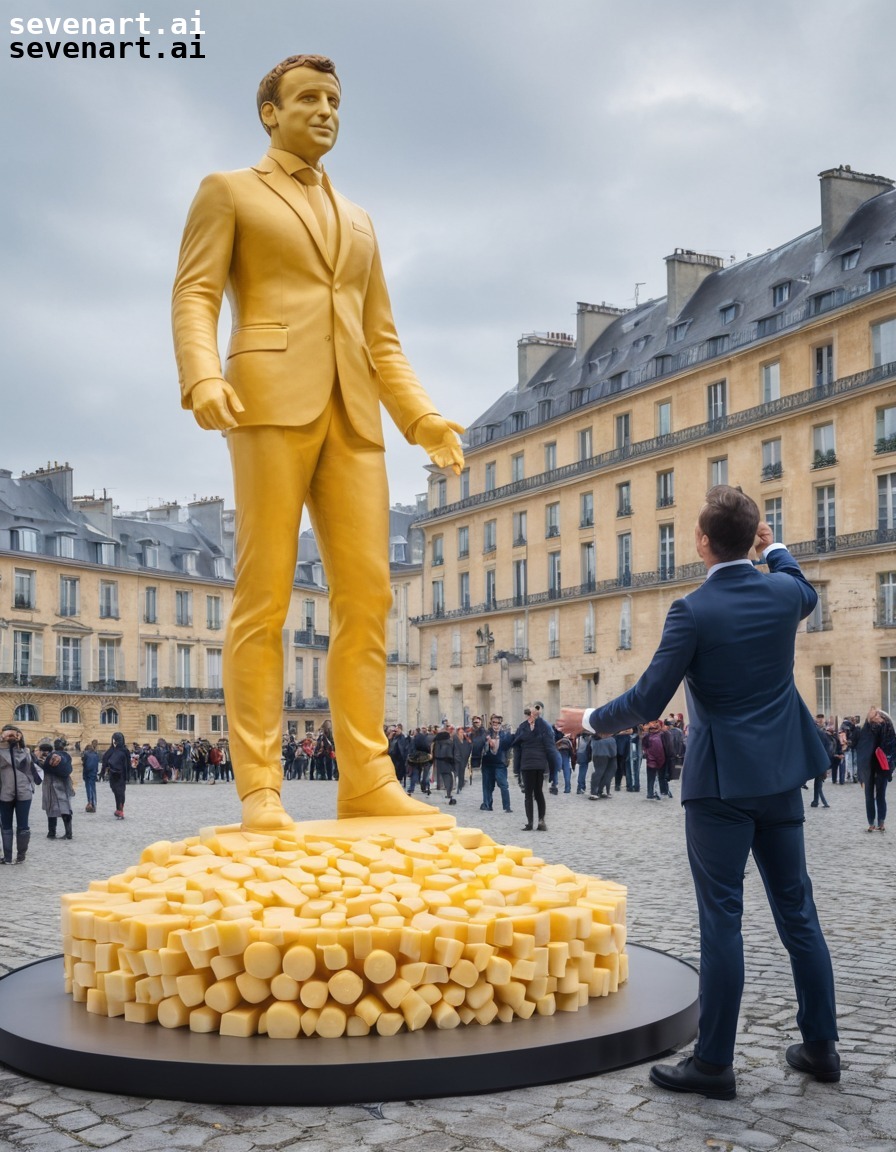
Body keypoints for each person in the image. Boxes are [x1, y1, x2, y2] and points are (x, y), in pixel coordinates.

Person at [172, 53, 463, 832]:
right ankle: (261, 786)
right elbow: (196, 293)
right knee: (263, 595)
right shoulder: (228, 190)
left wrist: (422, 417)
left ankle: (366, 777)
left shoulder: (361, 220)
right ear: (271, 111)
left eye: (335, 99)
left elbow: (383, 337)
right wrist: (201, 377)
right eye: (308, 98)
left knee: (367, 597)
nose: (326, 110)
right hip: (265, 399)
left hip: (357, 417)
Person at [558, 485, 839, 1099]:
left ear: (701, 542)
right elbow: (803, 583)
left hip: (718, 787)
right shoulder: (784, 594)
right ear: (754, 539)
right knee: (799, 914)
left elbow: (647, 701)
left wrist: (587, 720)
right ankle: (821, 1046)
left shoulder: (693, 610)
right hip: (782, 779)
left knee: (722, 921)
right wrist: (777, 544)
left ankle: (714, 1064)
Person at [0, 724, 39, 864]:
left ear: (19, 735)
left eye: (13, 734)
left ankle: (21, 856)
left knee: (23, 825)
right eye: (6, 734)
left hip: (24, 793)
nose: (10, 736)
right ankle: (8, 856)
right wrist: (2, 740)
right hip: (5, 792)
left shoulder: (26, 752)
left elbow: (33, 768)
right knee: (6, 825)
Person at [512, 706, 553, 831]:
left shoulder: (542, 727)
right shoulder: (523, 727)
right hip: (527, 764)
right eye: (528, 713)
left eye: (532, 713)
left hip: (538, 764)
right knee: (530, 794)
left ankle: (540, 821)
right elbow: (517, 747)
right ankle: (531, 822)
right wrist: (516, 767)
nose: (530, 716)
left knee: (537, 792)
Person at [856, 706, 895, 832]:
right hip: (869, 767)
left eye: (879, 715)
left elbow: (892, 748)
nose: (879, 718)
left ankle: (881, 822)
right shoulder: (866, 730)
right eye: (876, 716)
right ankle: (872, 823)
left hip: (882, 766)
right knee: (869, 796)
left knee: (880, 795)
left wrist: (890, 767)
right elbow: (861, 748)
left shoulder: (887, 728)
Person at [102, 732, 130, 819]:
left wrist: (103, 771)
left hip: (115, 774)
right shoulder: (125, 751)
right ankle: (120, 809)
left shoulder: (113, 750)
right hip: (120, 774)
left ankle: (119, 809)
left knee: (118, 792)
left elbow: (105, 760)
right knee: (120, 792)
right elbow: (128, 765)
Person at [81, 740, 99, 813]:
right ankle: (94, 803)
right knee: (93, 788)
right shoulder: (96, 754)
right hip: (93, 773)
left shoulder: (86, 754)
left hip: (87, 772)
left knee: (88, 788)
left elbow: (84, 763)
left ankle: (90, 803)